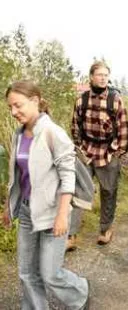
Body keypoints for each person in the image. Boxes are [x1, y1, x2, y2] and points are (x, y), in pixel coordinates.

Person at [2, 80, 90, 309]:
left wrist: (63, 214)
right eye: (10, 107)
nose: (14, 112)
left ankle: (80, 293)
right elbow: (18, 176)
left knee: (51, 274)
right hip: (27, 210)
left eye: (18, 105)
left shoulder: (53, 133)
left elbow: (68, 177)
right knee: (26, 271)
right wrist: (8, 207)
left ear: (35, 101)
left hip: (53, 213)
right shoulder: (19, 135)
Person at [68, 61, 128, 250]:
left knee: (108, 191)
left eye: (106, 75)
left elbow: (123, 129)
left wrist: (115, 152)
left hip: (107, 153)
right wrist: (79, 148)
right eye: (99, 75)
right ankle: (71, 234)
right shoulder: (82, 99)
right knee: (79, 191)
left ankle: (105, 229)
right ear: (91, 77)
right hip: (86, 152)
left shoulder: (115, 99)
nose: (103, 78)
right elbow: (75, 125)